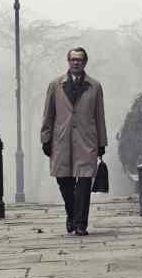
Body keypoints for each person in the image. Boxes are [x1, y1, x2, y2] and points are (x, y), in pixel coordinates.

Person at [40, 47, 107, 236]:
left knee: (84, 183)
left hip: (87, 141)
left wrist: (102, 142)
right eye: (72, 59)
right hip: (61, 140)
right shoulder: (55, 85)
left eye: (79, 60)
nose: (76, 63)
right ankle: (71, 214)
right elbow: (48, 114)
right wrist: (46, 138)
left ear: (85, 62)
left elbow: (99, 115)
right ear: (68, 61)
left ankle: (80, 224)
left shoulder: (95, 86)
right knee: (64, 181)